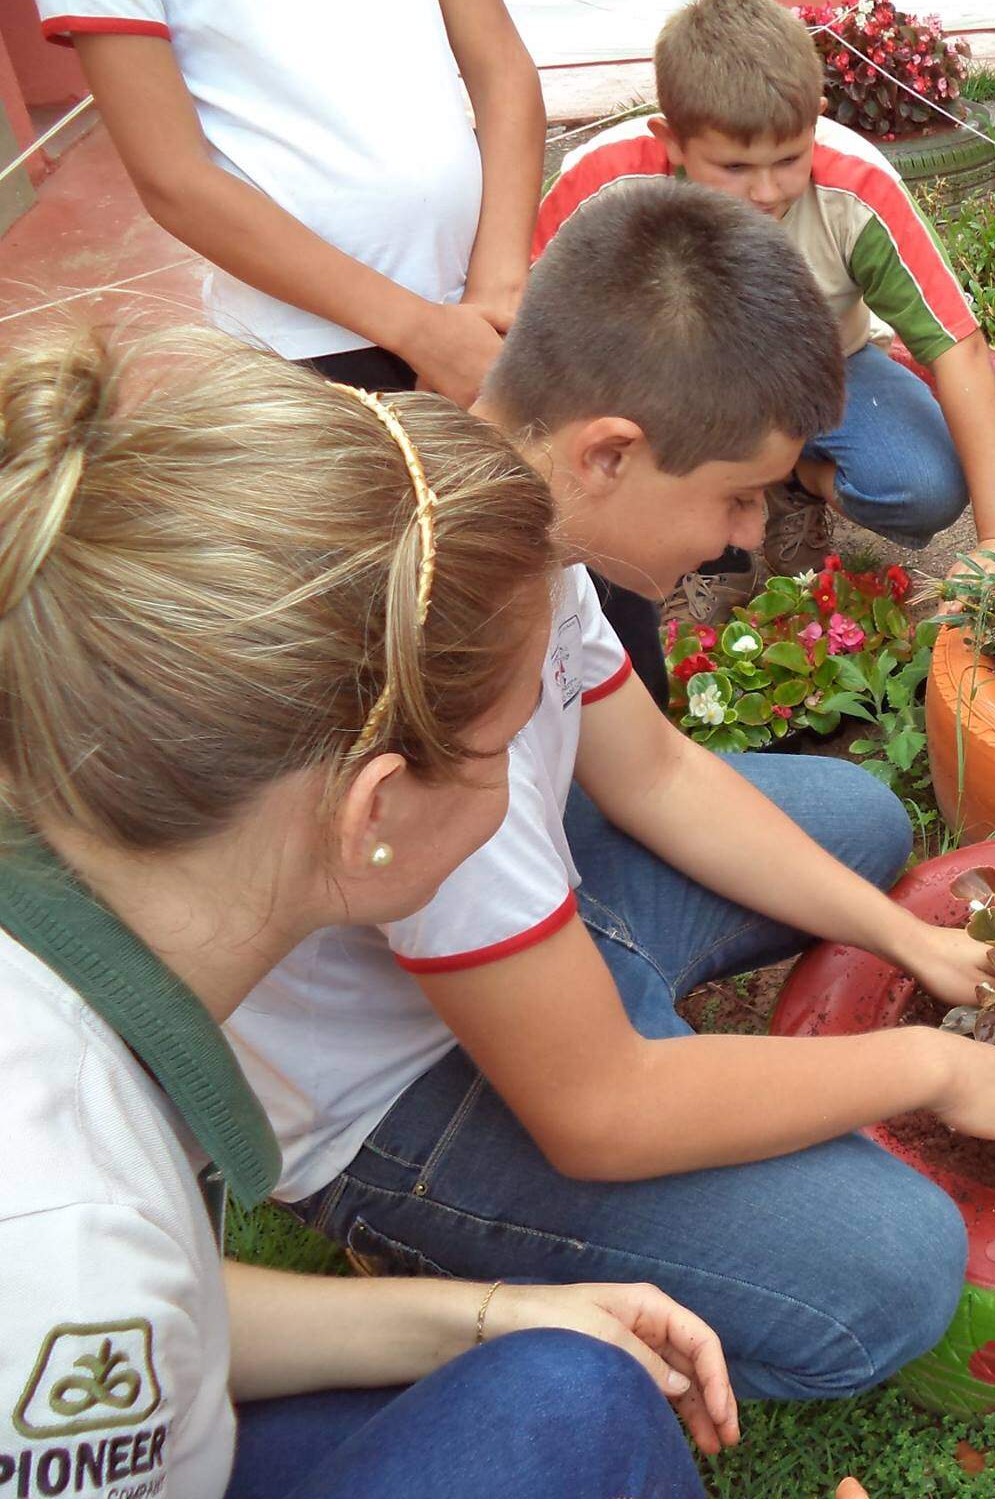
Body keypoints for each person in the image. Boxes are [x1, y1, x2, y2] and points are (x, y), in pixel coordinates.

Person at [226, 179, 995, 1407]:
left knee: (860, 829)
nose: (746, 538)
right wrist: (930, 1069)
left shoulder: (501, 496)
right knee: (891, 1270)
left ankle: (613, 984)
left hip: (514, 926)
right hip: (397, 1095)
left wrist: (907, 944)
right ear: (610, 451)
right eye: (736, 496)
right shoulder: (449, 681)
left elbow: (657, 770)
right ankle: (429, 1208)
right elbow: (598, 1112)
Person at [0, 326, 730, 1499]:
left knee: (557, 1380)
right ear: (373, 810)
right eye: (506, 744)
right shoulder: (63, 1252)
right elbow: (96, 1292)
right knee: (577, 1413)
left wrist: (485, 1315)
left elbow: (173, 1308)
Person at [534, 0, 995, 650]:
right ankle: (687, 553)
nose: (767, 192)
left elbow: (957, 348)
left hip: (820, 374)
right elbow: (524, 335)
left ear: (816, 120)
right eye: (734, 166)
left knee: (925, 483)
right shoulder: (608, 181)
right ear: (670, 140)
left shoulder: (858, 189)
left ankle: (787, 482)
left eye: (789, 160)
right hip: (656, 388)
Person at [30, 0, 543, 402]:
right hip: (303, 352)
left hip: (479, 320)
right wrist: (420, 331)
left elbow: (502, 72)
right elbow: (173, 179)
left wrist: (497, 291)